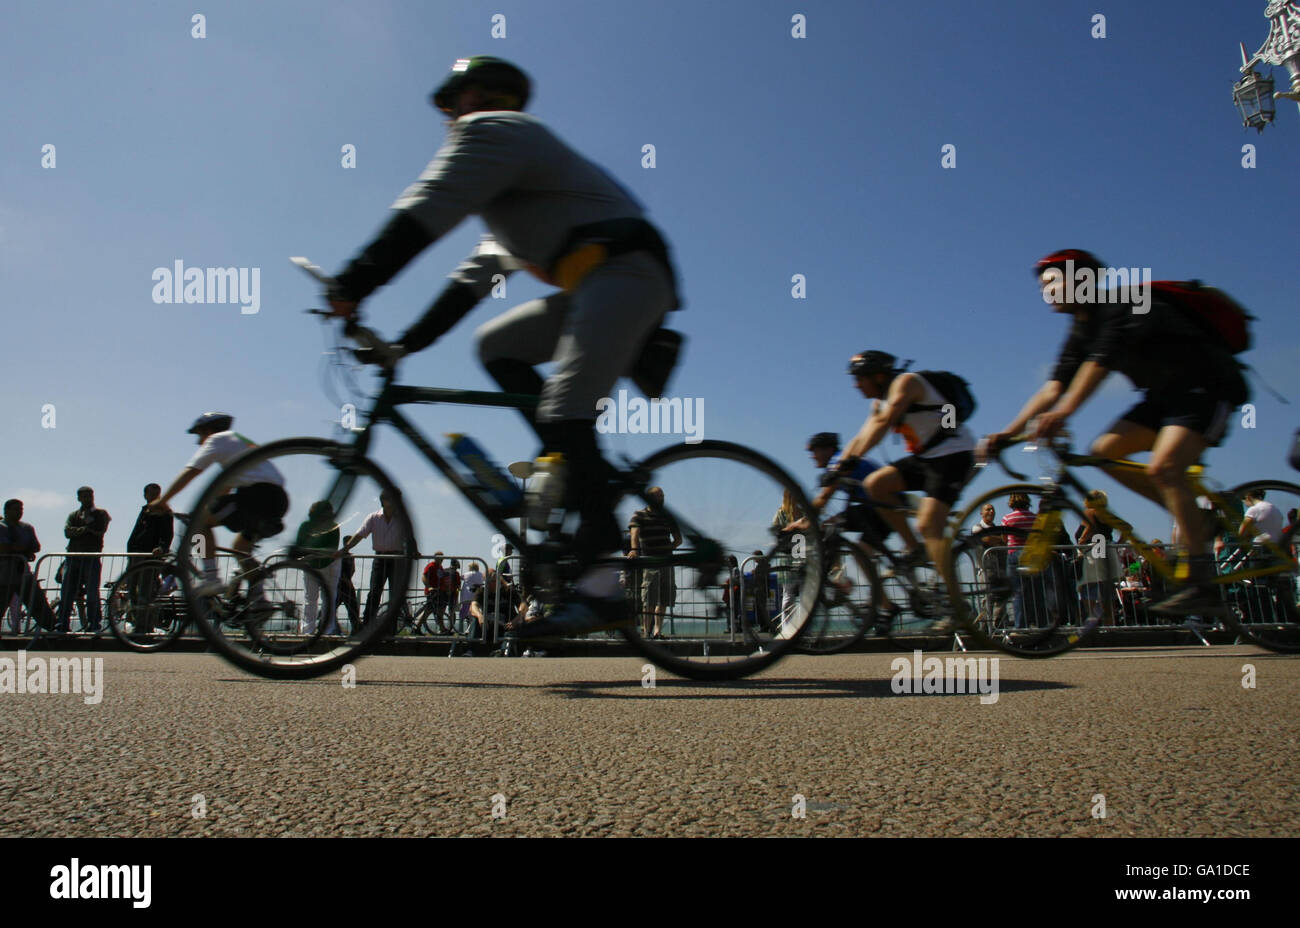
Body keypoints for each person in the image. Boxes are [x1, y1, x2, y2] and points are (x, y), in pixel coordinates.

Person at [324, 56, 680, 637]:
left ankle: (602, 582)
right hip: (595, 282)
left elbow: (426, 210)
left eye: (452, 103)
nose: (447, 117)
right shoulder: (514, 203)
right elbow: (467, 285)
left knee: (565, 406)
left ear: (483, 96)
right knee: (495, 345)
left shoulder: (500, 132)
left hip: (625, 272)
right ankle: (566, 459)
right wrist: (402, 346)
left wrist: (354, 282)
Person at [984, 249, 1249, 617]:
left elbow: (1099, 364)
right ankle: (1198, 521)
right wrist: (1006, 434)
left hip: (1207, 387)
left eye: (1052, 282)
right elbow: (1053, 387)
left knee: (1164, 468)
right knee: (1104, 450)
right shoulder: (1081, 327)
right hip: (1161, 399)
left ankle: (1202, 583)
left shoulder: (1123, 305)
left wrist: (1063, 413)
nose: (1046, 292)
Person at [812, 351, 977, 631]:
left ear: (878, 376)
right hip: (924, 458)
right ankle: (914, 549)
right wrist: (838, 468)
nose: (855, 385)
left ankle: (959, 607)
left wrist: (847, 463)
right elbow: (861, 436)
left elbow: (884, 423)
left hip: (953, 454)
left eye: (859, 379)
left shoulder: (907, 383)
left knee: (929, 523)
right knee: (875, 485)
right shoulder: (878, 402)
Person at [151, 413, 288, 608]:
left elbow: (191, 471)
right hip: (277, 500)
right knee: (241, 550)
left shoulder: (218, 439)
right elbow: (225, 492)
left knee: (198, 522)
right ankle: (259, 600)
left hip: (256, 496)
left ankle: (211, 578)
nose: (199, 442)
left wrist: (163, 500)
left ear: (208, 430)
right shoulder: (237, 444)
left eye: (199, 435)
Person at [337, 490, 409, 629]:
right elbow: (359, 535)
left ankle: (390, 629)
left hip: (397, 559)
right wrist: (345, 550)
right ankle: (367, 627)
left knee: (395, 595)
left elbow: (409, 537)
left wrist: (414, 551)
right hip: (380, 558)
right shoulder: (373, 517)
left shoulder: (402, 518)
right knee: (374, 592)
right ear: (384, 500)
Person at [627, 487, 680, 639]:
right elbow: (634, 534)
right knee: (649, 598)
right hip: (649, 561)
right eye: (658, 496)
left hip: (666, 561)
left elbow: (678, 539)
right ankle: (646, 631)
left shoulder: (668, 516)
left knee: (664, 598)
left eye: (662, 495)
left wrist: (668, 547)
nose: (661, 498)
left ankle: (657, 630)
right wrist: (634, 550)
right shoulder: (639, 515)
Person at [58, 486, 111, 633]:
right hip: (73, 557)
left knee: (92, 593)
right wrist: (84, 530)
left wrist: (82, 530)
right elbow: (67, 532)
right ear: (79, 498)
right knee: (67, 592)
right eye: (85, 496)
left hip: (91, 557)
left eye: (90, 495)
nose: (88, 498)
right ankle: (62, 624)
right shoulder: (73, 515)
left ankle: (94, 625)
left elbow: (99, 531)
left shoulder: (101, 514)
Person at [0, 499, 56, 634]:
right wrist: (23, 550)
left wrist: (20, 549)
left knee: (37, 601)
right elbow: (4, 547)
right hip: (3, 574)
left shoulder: (27, 528)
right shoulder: (1, 527)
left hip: (23, 572)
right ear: (6, 510)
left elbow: (36, 546)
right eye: (16, 509)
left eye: (21, 509)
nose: (19, 512)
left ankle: (54, 628)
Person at [126, 482, 176, 607]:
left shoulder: (165, 512)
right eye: (151, 494)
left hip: (151, 556)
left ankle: (145, 623)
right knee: (131, 588)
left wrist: (162, 548)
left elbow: (168, 534)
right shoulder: (145, 510)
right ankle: (133, 619)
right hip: (136, 554)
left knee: (146, 590)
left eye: (156, 494)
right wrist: (130, 548)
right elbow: (137, 531)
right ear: (145, 495)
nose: (154, 497)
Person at [295, 500, 341, 635]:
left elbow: (300, 545)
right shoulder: (333, 526)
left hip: (318, 564)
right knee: (326, 598)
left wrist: (310, 552)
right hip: (323, 564)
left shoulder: (306, 526)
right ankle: (325, 629)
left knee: (313, 598)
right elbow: (331, 548)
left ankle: (310, 629)